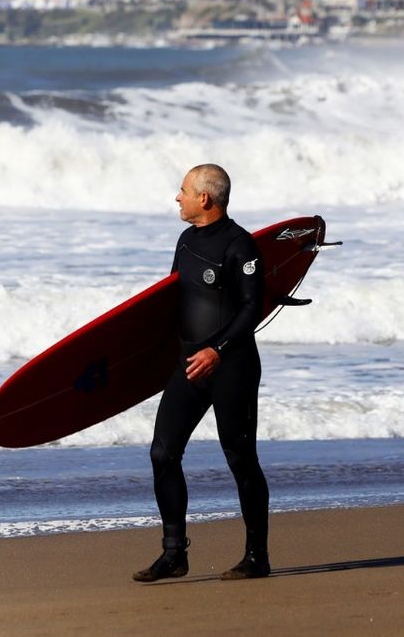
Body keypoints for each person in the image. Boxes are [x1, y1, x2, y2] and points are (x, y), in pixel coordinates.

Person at [134, 163, 271, 582]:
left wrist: (218, 348)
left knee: (240, 459)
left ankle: (256, 556)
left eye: (183, 191)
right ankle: (174, 554)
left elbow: (252, 308)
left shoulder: (240, 246)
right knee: (162, 452)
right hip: (190, 365)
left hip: (232, 366)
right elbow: (173, 301)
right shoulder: (185, 240)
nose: (178, 197)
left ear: (205, 199)